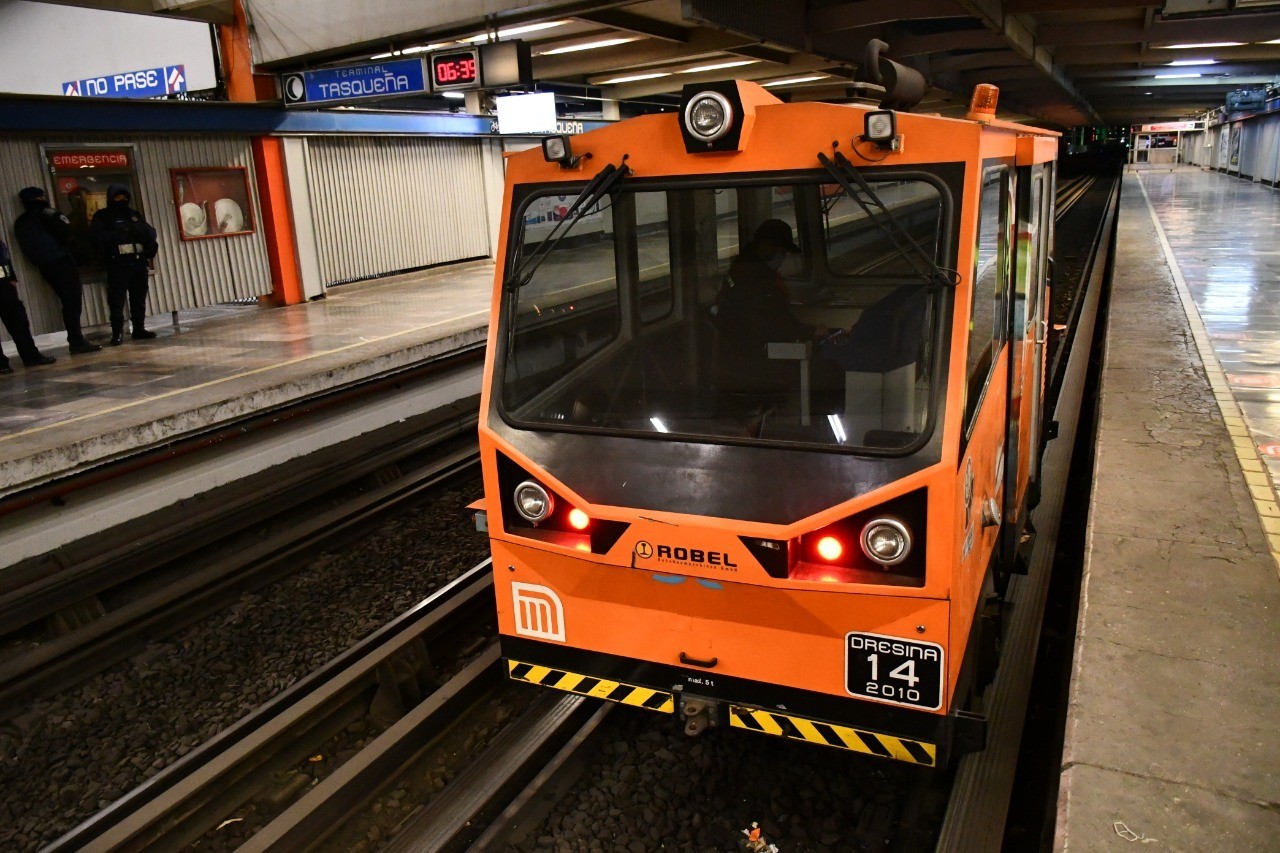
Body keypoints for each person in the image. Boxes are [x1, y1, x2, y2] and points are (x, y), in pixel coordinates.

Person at [713, 218, 828, 391]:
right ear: (767, 246)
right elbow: (771, 322)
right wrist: (810, 331)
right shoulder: (753, 277)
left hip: (739, 353)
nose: (781, 257)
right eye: (780, 251)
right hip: (749, 360)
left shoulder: (744, 267)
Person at [13, 187, 102, 354]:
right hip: (62, 261)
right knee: (72, 301)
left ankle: (76, 339)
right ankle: (76, 340)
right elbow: (67, 234)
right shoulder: (48, 213)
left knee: (68, 301)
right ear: (41, 197)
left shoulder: (21, 221)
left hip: (44, 265)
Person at [90, 184, 158, 345]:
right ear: (111, 198)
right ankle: (117, 333)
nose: (122, 200)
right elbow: (96, 238)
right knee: (117, 301)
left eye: (124, 197)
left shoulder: (134, 215)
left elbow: (150, 233)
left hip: (138, 263)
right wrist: (116, 234)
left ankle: (139, 329)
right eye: (118, 197)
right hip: (117, 264)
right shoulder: (103, 216)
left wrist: (149, 241)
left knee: (138, 298)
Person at [0, 238, 56, 374]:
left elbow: (6, 260)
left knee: (19, 322)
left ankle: (31, 356)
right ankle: (1, 364)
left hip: (5, 286)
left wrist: (12, 279)